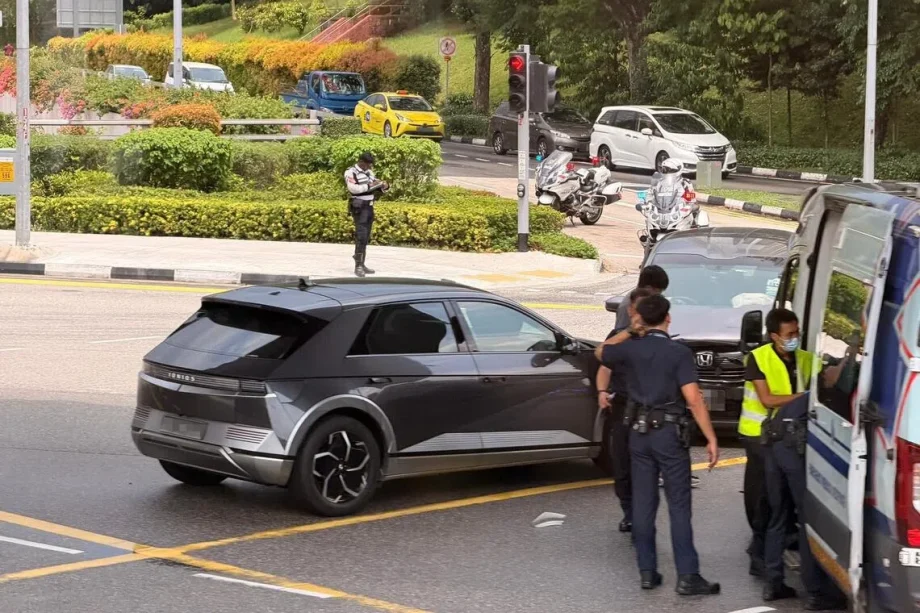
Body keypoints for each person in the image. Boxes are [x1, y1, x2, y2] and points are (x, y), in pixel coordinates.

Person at [595, 294, 721, 595]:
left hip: (638, 433)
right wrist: (711, 437)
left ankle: (647, 572)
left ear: (640, 318)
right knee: (679, 505)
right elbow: (693, 398)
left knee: (643, 502)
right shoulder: (678, 352)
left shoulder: (629, 348)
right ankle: (688, 576)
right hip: (668, 434)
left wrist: (629, 330)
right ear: (668, 318)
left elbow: (600, 352)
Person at [740, 308, 812, 577]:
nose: (794, 337)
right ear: (774, 336)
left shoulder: (805, 358)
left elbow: (828, 377)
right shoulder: (758, 358)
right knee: (764, 497)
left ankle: (776, 547)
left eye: (797, 332)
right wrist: (805, 397)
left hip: (788, 436)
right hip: (759, 434)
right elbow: (767, 399)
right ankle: (758, 553)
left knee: (781, 498)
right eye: (789, 334)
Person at [597, 286, 653, 533]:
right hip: (622, 408)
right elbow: (604, 363)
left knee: (644, 467)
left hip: (649, 410)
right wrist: (602, 391)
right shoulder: (618, 336)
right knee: (621, 467)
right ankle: (629, 512)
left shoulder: (656, 338)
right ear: (630, 310)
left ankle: (642, 515)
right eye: (636, 309)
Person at [344, 152, 388, 278]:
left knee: (366, 236)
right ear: (361, 162)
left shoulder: (369, 173)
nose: (369, 167)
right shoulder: (351, 172)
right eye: (367, 165)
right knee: (361, 236)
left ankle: (362, 263)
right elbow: (353, 189)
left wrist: (383, 185)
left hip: (369, 206)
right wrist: (370, 186)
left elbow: (375, 185)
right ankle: (358, 266)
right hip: (359, 206)